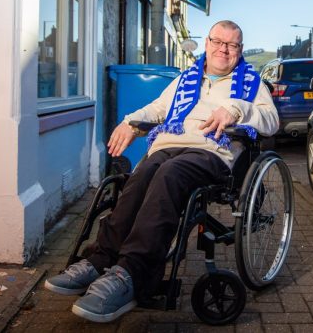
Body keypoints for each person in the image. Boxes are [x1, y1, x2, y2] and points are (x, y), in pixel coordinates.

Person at [44, 20, 279, 323]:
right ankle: (99, 259)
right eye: (219, 42)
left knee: (170, 173)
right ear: (207, 43)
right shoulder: (186, 78)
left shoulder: (251, 83)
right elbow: (157, 109)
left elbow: (271, 120)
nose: (224, 49)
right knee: (142, 175)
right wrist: (130, 123)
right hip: (168, 145)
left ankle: (133, 273)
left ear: (240, 50)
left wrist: (236, 109)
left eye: (232, 45)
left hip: (210, 153)